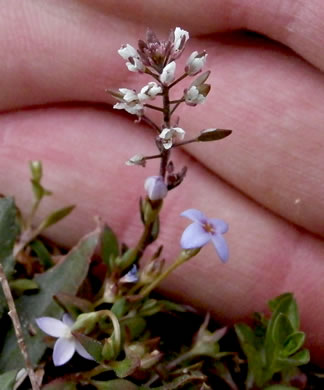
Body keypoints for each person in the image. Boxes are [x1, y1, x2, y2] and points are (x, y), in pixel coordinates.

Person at [0, 0, 323, 365]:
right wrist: (140, 108)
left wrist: (171, 120)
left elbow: (174, 126)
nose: (168, 140)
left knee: (160, 190)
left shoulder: (179, 95)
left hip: (160, 165)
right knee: (151, 198)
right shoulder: (144, 101)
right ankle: (129, 270)